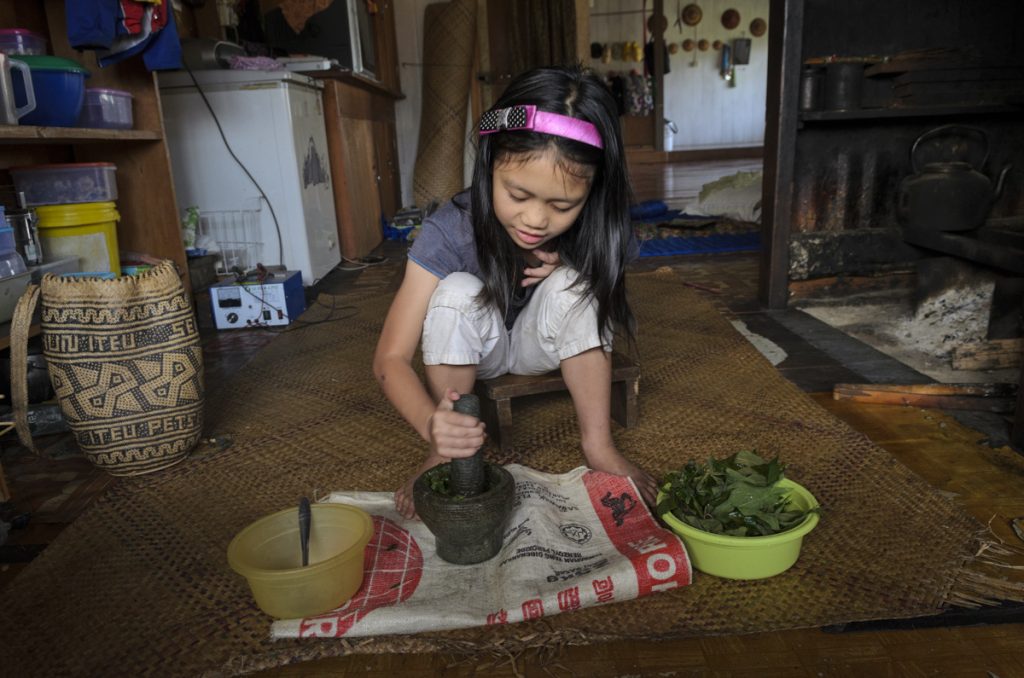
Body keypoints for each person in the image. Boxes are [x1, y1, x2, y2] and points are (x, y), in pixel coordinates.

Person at [373, 64, 658, 519]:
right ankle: (444, 453)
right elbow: (389, 358)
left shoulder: (600, 227)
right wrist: (433, 425)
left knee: (576, 284)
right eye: (518, 195)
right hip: (474, 354)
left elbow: (602, 268)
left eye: (562, 205)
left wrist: (570, 260)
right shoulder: (450, 230)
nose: (536, 221)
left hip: (539, 347)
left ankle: (598, 444)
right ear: (489, 164)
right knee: (458, 292)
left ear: (591, 193)